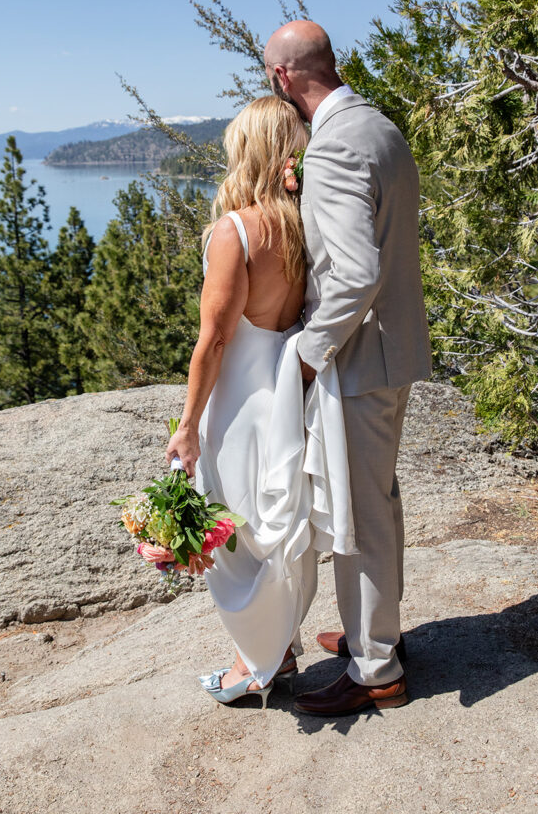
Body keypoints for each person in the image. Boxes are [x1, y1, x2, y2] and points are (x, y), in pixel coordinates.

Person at [264, 20, 432, 716]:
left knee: (359, 519)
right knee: (377, 506)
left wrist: (307, 352)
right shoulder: (375, 126)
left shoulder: (333, 144)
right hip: (392, 348)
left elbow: (355, 272)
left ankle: (375, 671)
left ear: (282, 79)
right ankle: (374, 634)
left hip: (358, 359)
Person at [166, 94, 351, 708]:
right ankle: (281, 647)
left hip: (240, 405)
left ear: (245, 150)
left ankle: (257, 662)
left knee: (235, 531)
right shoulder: (303, 226)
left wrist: (188, 426)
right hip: (286, 396)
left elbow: (213, 339)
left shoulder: (235, 230)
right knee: (275, 524)